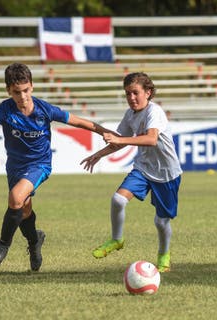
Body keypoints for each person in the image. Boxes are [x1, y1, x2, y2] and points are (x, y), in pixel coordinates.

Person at [0, 62, 113, 271]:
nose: (22, 96)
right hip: (15, 168)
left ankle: (2, 245)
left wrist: (104, 132)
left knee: (15, 198)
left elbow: (78, 122)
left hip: (40, 165)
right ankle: (34, 241)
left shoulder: (44, 109)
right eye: (16, 92)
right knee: (23, 208)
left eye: (25, 90)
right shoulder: (5, 109)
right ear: (8, 91)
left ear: (32, 86)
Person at [80, 72, 182, 272]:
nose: (131, 98)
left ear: (148, 92)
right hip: (143, 168)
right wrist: (99, 154)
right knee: (118, 200)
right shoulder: (130, 115)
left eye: (135, 93)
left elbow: (151, 139)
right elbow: (119, 140)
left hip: (167, 174)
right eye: (127, 94)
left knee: (161, 222)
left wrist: (120, 140)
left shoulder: (155, 112)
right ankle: (117, 240)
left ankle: (164, 255)